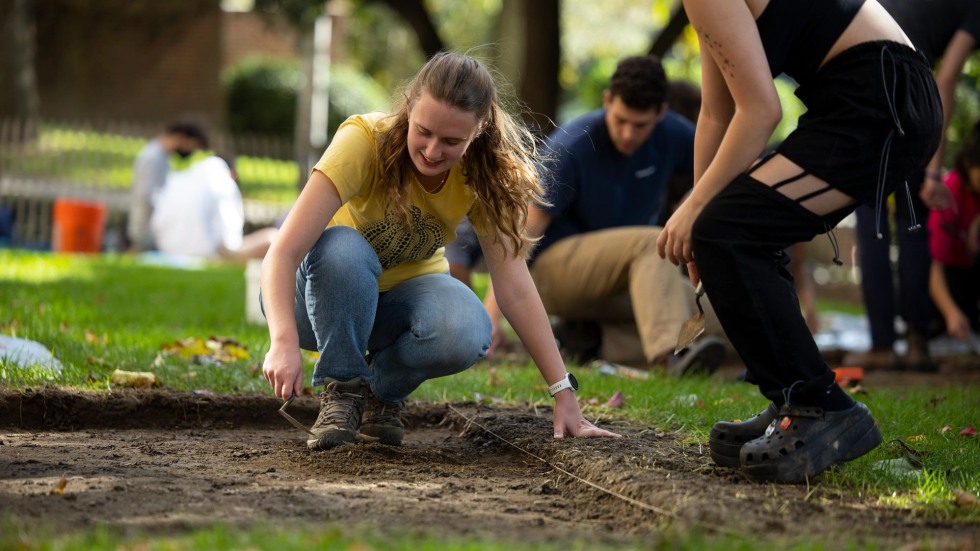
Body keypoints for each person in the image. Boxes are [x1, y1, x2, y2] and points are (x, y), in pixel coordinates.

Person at [259, 51, 620, 450]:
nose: (432, 151)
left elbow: (514, 285)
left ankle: (380, 392)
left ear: (479, 131)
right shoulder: (364, 140)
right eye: (424, 132)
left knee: (467, 329)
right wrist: (282, 342)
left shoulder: (488, 174)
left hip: (400, 306)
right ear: (409, 108)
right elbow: (283, 252)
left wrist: (563, 392)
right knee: (343, 247)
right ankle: (342, 389)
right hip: (318, 301)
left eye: (452, 141)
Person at [657, 0, 942, 482]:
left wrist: (699, 211)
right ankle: (795, 399)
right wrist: (701, 228)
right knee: (726, 229)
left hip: (877, 102)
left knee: (728, 228)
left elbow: (760, 110)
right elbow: (715, 113)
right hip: (880, 95)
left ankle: (819, 406)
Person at [479, 55, 729, 376]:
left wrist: (693, 203)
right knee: (653, 244)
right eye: (621, 120)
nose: (628, 134)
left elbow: (726, 163)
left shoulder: (672, 134)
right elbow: (523, 231)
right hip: (551, 274)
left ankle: (596, 343)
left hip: (629, 275)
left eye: (640, 126)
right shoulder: (573, 145)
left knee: (709, 307)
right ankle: (672, 356)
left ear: (661, 113)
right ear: (607, 100)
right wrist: (492, 313)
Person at [846, 0, 980, 370]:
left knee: (871, 219)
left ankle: (883, 344)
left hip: (860, 82)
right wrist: (933, 171)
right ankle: (917, 341)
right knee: (913, 221)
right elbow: (948, 77)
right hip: (905, 85)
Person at [150, 156, 278, 262]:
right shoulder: (224, 183)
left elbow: (157, 223)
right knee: (273, 238)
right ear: (233, 173)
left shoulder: (176, 179)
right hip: (206, 254)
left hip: (166, 250)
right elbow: (229, 240)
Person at [928, 120, 980, 344]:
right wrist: (952, 313)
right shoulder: (949, 195)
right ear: (969, 164)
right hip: (949, 284)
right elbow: (934, 270)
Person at [127, 121, 209, 252]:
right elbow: (146, 195)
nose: (191, 151)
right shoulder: (152, 157)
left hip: (154, 230)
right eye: (192, 146)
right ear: (181, 137)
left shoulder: (163, 157)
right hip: (147, 230)